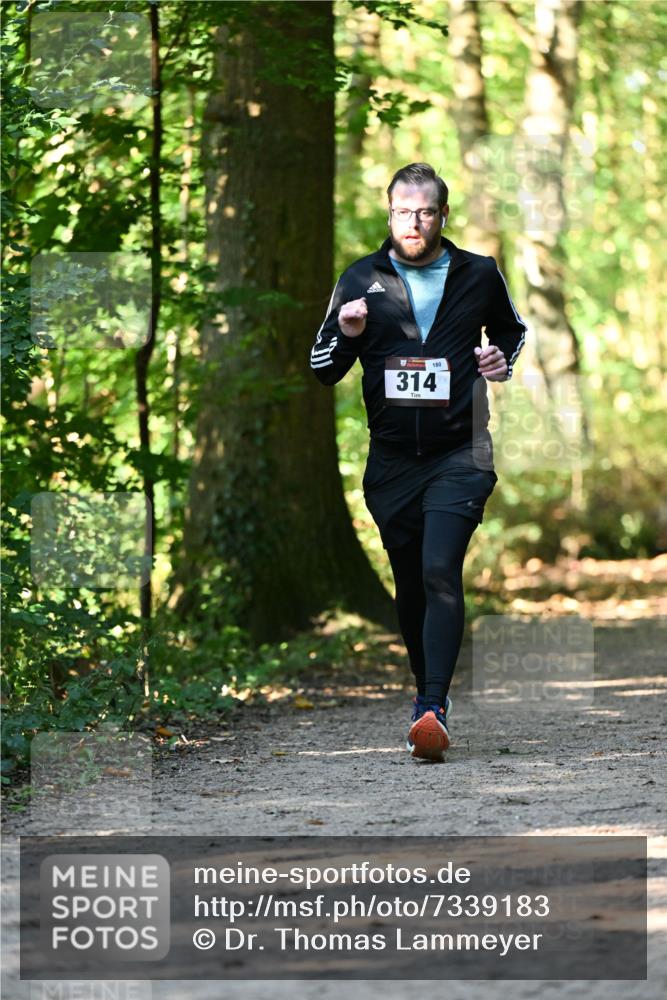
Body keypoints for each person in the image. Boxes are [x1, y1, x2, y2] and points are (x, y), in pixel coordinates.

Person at [310, 163, 526, 761]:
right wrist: (349, 333)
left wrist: (498, 362)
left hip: (462, 453)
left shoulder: (478, 273)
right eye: (404, 211)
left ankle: (432, 706)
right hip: (392, 463)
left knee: (439, 568)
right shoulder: (361, 278)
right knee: (409, 582)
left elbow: (513, 333)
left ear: (442, 215)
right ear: (389, 214)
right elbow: (322, 367)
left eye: (426, 211)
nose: (414, 221)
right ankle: (422, 693)